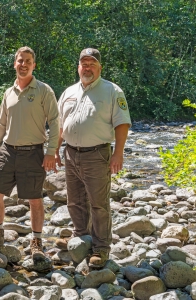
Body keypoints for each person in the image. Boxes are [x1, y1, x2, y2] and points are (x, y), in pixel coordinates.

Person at [0, 46, 59, 261]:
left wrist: (51, 152)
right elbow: (0, 123)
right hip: (7, 151)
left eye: (27, 61)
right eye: (19, 61)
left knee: (35, 199)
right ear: (14, 64)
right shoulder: (9, 92)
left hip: (33, 152)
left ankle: (36, 241)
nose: (23, 64)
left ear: (34, 65)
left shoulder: (44, 90)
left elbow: (54, 122)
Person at [54, 48, 131, 268]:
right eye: (84, 63)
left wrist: (118, 153)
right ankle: (81, 237)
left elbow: (122, 123)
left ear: (100, 67)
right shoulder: (69, 92)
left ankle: (101, 248)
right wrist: (55, 150)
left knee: (99, 204)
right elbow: (60, 125)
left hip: (97, 154)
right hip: (70, 153)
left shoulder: (112, 91)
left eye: (92, 64)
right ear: (78, 67)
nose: (87, 68)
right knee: (75, 200)